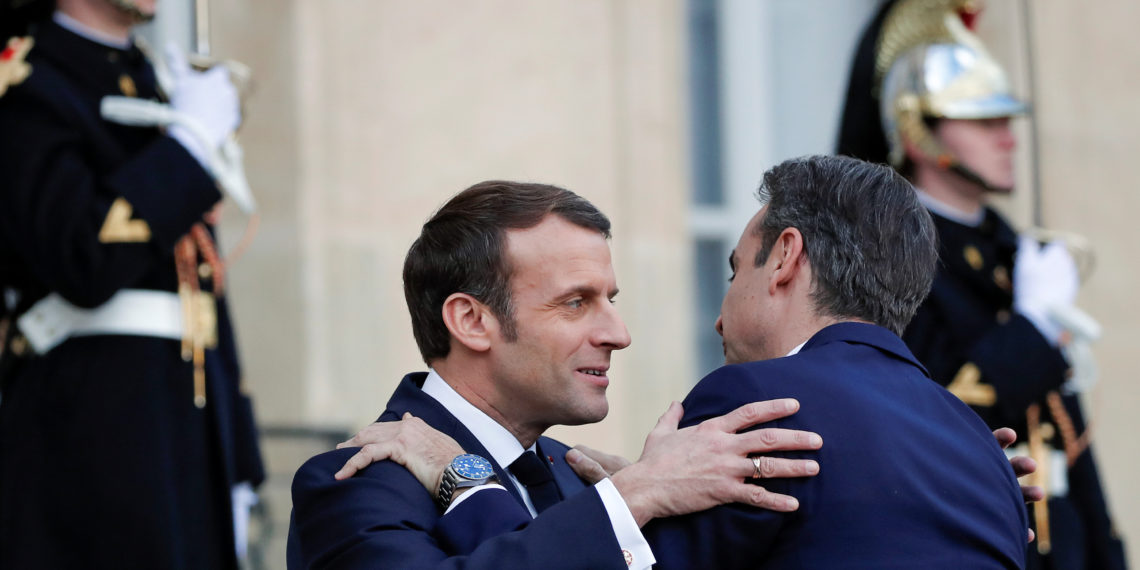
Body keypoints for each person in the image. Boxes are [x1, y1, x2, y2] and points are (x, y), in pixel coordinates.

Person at [336, 156, 1034, 569]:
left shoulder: (760, 406)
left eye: (734, 271)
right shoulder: (976, 447)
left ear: (785, 258)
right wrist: (640, 489)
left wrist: (459, 474)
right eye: (577, 302)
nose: (719, 316)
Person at [287, 180, 826, 569]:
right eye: (575, 303)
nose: (619, 333)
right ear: (472, 321)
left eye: (610, 300)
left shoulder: (581, 482)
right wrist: (638, 493)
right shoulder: (353, 486)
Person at [836, 1, 1127, 567]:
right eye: (984, 122)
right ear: (919, 133)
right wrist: (1033, 326)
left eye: (1006, 121)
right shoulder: (891, 259)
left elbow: (1067, 433)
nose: (1008, 138)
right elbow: (937, 411)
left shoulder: (1011, 252)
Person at [0, 0, 264, 568]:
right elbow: (82, 258)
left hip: (187, 435)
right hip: (88, 436)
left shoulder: (157, 84)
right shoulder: (25, 85)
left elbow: (200, 284)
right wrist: (188, 149)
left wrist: (239, 458)